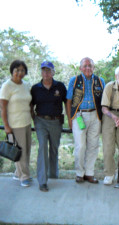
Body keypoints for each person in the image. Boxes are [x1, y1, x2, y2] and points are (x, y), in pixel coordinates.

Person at [66, 57, 105, 184]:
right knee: (80, 146)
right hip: (79, 116)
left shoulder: (100, 81)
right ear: (80, 68)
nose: (88, 68)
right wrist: (70, 119)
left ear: (94, 67)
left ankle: (89, 173)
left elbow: (104, 101)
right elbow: (69, 101)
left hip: (95, 116)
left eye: (90, 65)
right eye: (85, 65)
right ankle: (79, 173)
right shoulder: (75, 80)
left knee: (93, 146)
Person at [31, 61, 67, 192]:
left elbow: (67, 103)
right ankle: (42, 181)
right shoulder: (35, 88)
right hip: (40, 121)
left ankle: (53, 176)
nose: (45, 73)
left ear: (53, 72)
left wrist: (71, 119)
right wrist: (34, 120)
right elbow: (31, 105)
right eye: (43, 70)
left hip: (56, 121)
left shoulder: (60, 86)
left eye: (48, 70)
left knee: (54, 149)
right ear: (41, 72)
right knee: (42, 148)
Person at [0, 60, 32, 187]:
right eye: (17, 70)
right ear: (12, 71)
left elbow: (29, 103)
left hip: (27, 122)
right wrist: (6, 126)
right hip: (15, 124)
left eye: (22, 70)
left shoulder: (26, 84)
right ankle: (24, 177)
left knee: (27, 150)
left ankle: (17, 173)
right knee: (20, 151)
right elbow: (2, 107)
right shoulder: (7, 86)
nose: (19, 72)